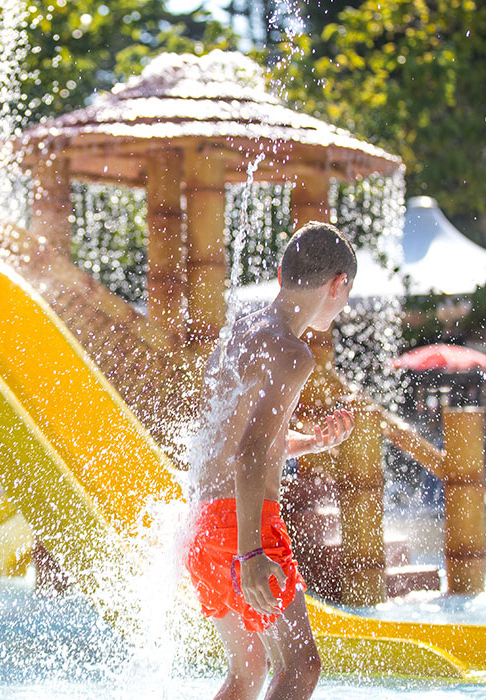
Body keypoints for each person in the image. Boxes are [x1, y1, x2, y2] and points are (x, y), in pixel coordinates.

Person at [186, 221, 359, 700]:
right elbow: (250, 453)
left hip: (203, 526)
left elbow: (233, 442)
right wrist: (251, 553)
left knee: (249, 673)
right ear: (337, 285)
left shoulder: (241, 333)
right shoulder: (292, 351)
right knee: (300, 668)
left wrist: (307, 443)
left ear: (282, 272)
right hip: (245, 530)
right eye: (344, 296)